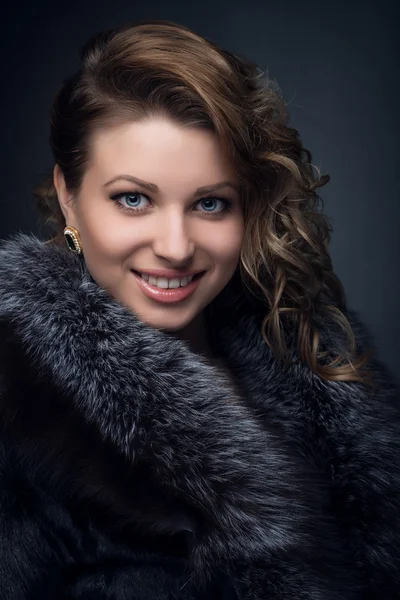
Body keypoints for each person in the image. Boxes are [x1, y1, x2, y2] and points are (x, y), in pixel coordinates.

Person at [0, 18, 399, 600]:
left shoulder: (311, 360)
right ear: (68, 196)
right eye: (132, 199)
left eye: (210, 203)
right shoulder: (17, 406)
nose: (176, 246)